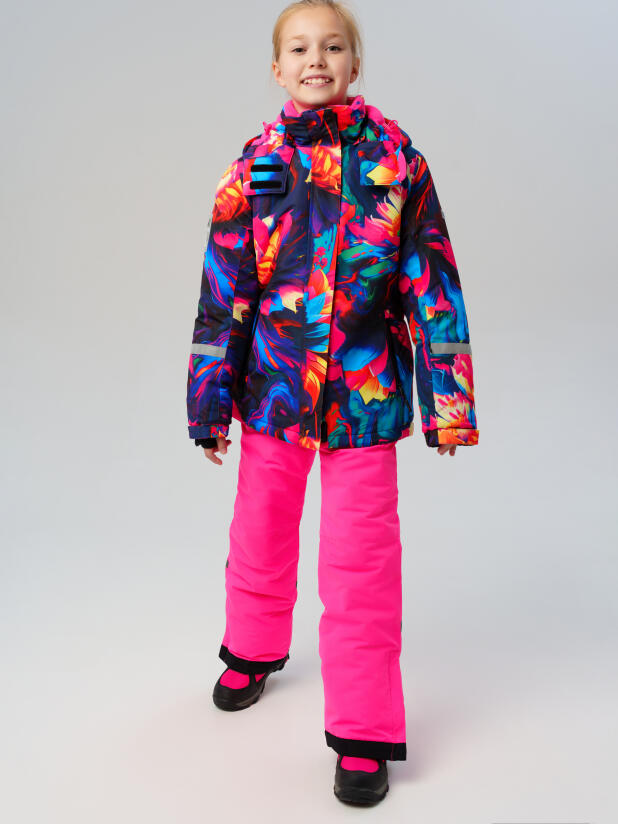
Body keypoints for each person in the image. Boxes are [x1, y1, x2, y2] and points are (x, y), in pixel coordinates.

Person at [185, 0, 479, 806]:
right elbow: (224, 291)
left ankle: (364, 732)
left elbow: (433, 285)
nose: (316, 59)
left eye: (333, 46)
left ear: (355, 64)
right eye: (299, 48)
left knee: (362, 565)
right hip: (272, 394)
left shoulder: (398, 161)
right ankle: (251, 647)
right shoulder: (253, 167)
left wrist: (448, 404)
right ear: (277, 69)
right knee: (260, 531)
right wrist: (209, 404)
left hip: (364, 400)